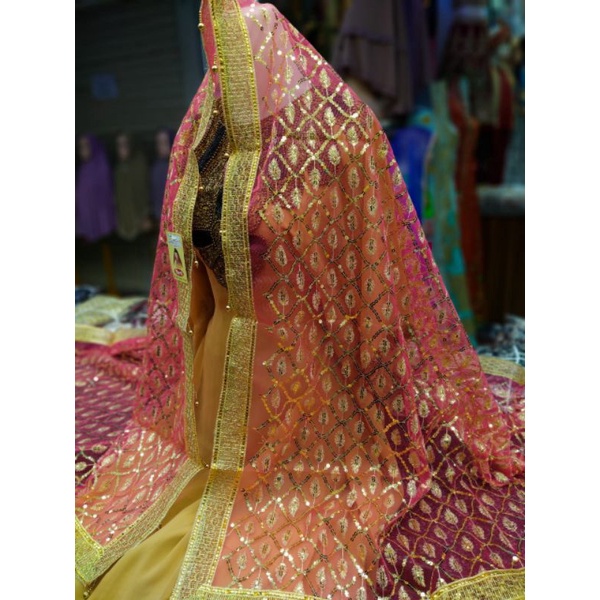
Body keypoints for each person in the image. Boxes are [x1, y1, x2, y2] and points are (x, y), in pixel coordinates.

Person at [75, 2, 524, 599]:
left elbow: (370, 276)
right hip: (210, 362)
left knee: (261, 519)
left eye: (231, 46)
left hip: (301, 375)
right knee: (172, 492)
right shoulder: (202, 138)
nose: (221, 61)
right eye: (211, 45)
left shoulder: (335, 138)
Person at [75, 134, 116, 243]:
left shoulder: (101, 166)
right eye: (80, 147)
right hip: (87, 220)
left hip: (102, 222)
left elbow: (105, 196)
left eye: (86, 146)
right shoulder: (82, 169)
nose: (83, 150)